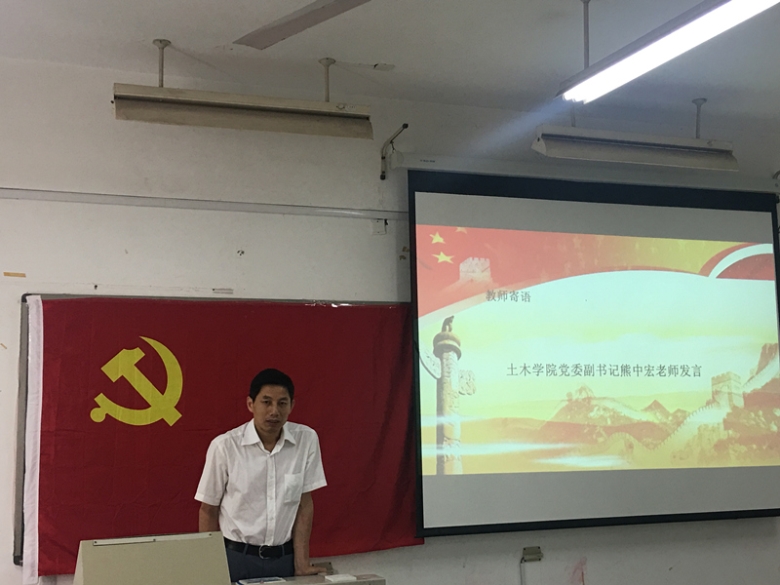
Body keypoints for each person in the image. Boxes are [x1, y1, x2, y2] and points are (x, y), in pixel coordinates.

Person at [195, 368, 327, 582]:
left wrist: (301, 563)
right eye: (266, 402)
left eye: (282, 403)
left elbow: (304, 504)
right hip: (236, 558)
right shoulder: (225, 447)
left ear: (292, 406)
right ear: (250, 404)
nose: (274, 411)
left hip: (284, 559)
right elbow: (208, 510)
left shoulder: (306, 440)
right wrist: (210, 568)